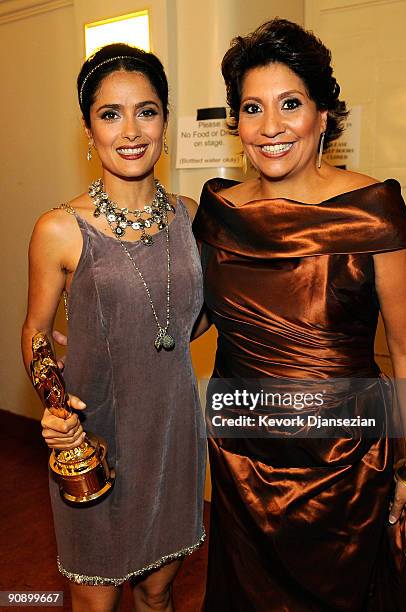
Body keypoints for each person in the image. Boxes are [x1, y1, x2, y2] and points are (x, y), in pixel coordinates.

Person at [192, 19, 406, 611]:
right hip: (241, 459)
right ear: (237, 122)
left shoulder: (375, 211)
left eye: (291, 104)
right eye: (253, 107)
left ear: (324, 114)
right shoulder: (217, 212)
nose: (271, 127)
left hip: (343, 467)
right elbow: (196, 319)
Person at [21, 43, 206, 612]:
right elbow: (34, 334)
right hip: (94, 437)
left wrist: (120, 337)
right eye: (110, 114)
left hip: (173, 433)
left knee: (158, 592)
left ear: (165, 120)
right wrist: (54, 402)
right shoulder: (60, 228)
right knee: (94, 600)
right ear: (88, 128)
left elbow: (187, 323)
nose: (130, 131)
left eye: (146, 111)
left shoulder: (192, 216)